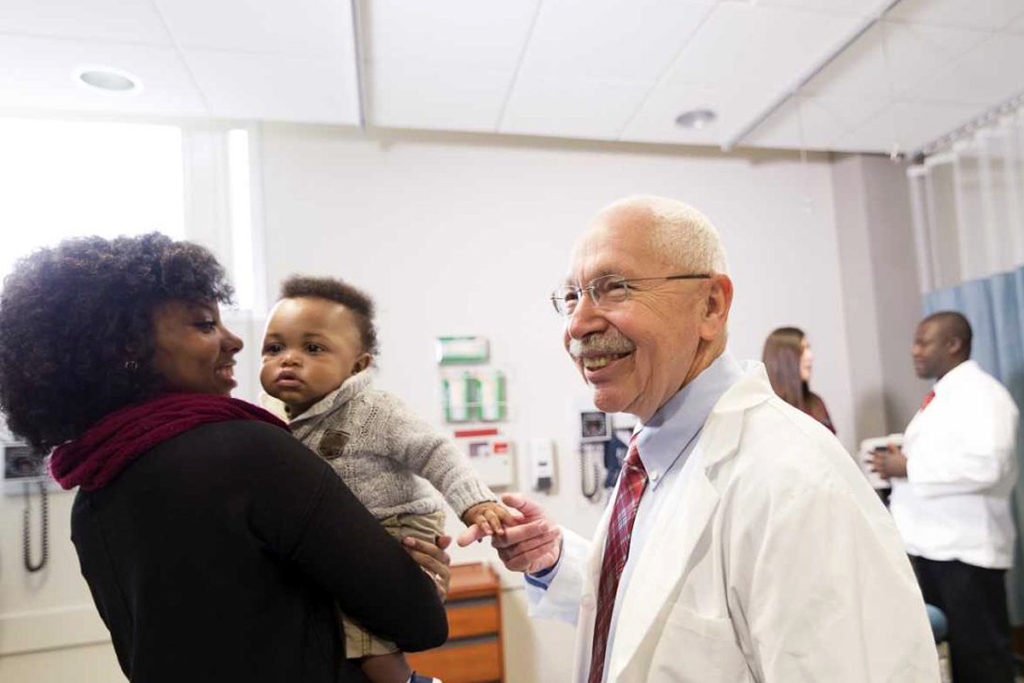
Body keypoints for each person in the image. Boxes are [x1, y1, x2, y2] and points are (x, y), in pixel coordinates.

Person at [461, 195, 938, 682]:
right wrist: (555, 560)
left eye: (614, 288)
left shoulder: (799, 484)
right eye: (572, 297)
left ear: (711, 306)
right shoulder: (659, 455)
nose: (578, 324)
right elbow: (658, 610)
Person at [0, 234, 450, 683]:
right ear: (127, 350)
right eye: (204, 325)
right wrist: (420, 577)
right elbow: (417, 619)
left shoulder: (95, 490)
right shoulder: (252, 452)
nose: (235, 342)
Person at [259, 275, 513, 683]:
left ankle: (407, 681)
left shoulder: (373, 410)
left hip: (396, 525)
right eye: (274, 348)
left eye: (312, 348)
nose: (288, 359)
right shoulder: (267, 417)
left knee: (364, 634)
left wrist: (475, 503)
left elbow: (435, 451)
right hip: (340, 535)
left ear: (357, 365)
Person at [871, 311, 1019, 683]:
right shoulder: (944, 394)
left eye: (924, 341)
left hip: (965, 552)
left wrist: (909, 466)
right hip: (935, 549)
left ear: (953, 344)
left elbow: (988, 465)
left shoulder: (984, 395)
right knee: (954, 660)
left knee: (982, 661)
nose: (914, 349)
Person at [762, 326, 835, 432]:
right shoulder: (768, 411)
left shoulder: (816, 403)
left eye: (808, 348)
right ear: (783, 359)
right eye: (801, 350)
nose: (810, 356)